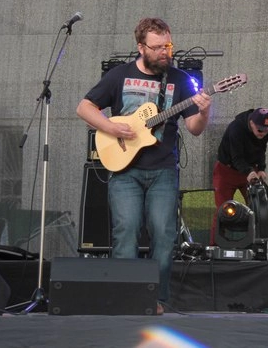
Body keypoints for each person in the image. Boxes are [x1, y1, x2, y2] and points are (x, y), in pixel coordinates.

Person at [76, 17, 212, 315]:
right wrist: (111, 128)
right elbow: (84, 107)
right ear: (141, 47)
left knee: (163, 233)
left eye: (168, 46)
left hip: (163, 169)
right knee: (126, 230)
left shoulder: (179, 80)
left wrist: (204, 112)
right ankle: (126, 297)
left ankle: (156, 299)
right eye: (158, 47)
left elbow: (194, 128)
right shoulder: (120, 76)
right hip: (125, 170)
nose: (165, 52)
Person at [211, 108, 268, 246]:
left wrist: (261, 168)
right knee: (223, 209)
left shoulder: (264, 131)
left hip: (249, 170)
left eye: (266, 130)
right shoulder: (236, 129)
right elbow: (236, 157)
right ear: (251, 123)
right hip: (227, 170)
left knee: (259, 208)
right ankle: (215, 246)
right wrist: (249, 171)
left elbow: (262, 149)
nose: (263, 133)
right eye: (260, 130)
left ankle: (258, 245)